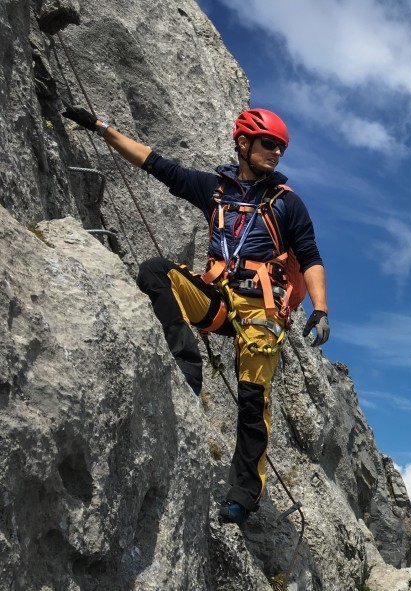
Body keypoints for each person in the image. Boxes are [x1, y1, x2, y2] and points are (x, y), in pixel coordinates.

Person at [62, 103, 330, 526]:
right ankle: (188, 370)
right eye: (268, 144)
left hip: (261, 314)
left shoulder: (287, 204)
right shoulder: (215, 191)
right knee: (155, 272)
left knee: (251, 401)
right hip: (219, 301)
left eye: (280, 148)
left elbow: (311, 258)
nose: (276, 153)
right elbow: (156, 163)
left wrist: (320, 309)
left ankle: (242, 496)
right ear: (243, 143)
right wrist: (100, 128)